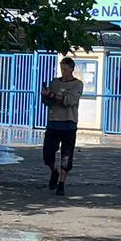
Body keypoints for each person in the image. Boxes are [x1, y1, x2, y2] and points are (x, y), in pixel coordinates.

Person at [40, 56, 84, 197]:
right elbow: (48, 102)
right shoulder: (55, 82)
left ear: (71, 69)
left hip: (68, 125)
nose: (63, 72)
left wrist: (52, 95)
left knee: (66, 156)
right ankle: (53, 171)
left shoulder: (77, 84)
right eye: (61, 69)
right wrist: (46, 95)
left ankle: (61, 184)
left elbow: (69, 100)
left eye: (65, 69)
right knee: (48, 154)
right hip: (53, 123)